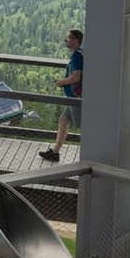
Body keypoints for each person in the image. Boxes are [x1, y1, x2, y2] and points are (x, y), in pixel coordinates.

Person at [39, 29, 84, 162]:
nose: (66, 40)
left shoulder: (76, 56)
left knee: (84, 127)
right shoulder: (79, 54)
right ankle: (55, 152)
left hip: (75, 98)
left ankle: (92, 156)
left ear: (76, 40)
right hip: (73, 96)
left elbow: (76, 77)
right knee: (63, 120)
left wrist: (60, 82)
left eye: (69, 38)